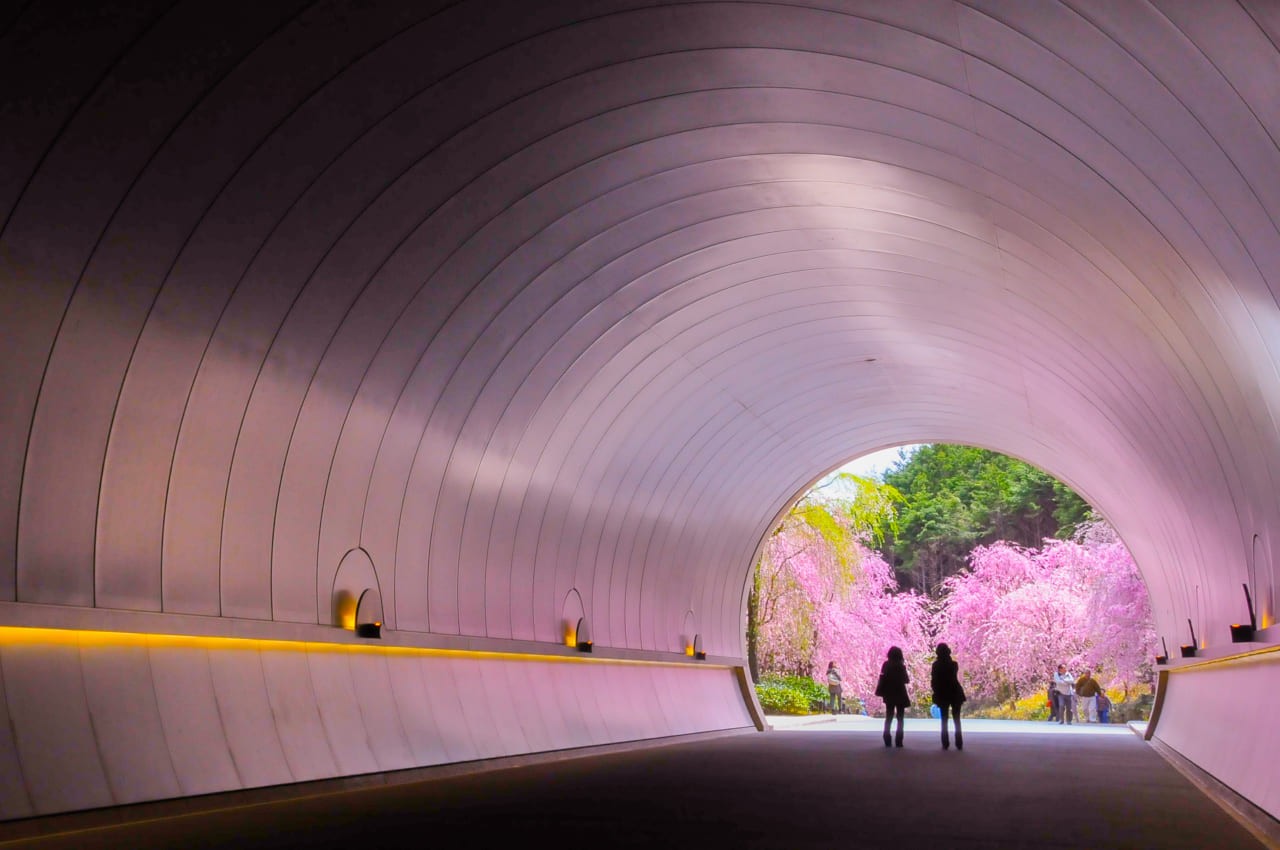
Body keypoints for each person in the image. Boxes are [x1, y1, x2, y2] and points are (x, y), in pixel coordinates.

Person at [930, 643, 966, 750]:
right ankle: (959, 742)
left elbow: (934, 681)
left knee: (944, 719)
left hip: (942, 693)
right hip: (955, 692)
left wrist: (935, 692)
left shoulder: (936, 665)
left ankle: (945, 742)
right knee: (957, 718)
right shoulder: (954, 664)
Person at [876, 646, 911, 748]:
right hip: (900, 693)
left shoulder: (886, 665)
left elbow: (882, 677)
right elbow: (906, 680)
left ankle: (886, 737)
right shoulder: (901, 666)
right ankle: (899, 740)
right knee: (900, 718)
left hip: (889, 693)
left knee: (889, 716)